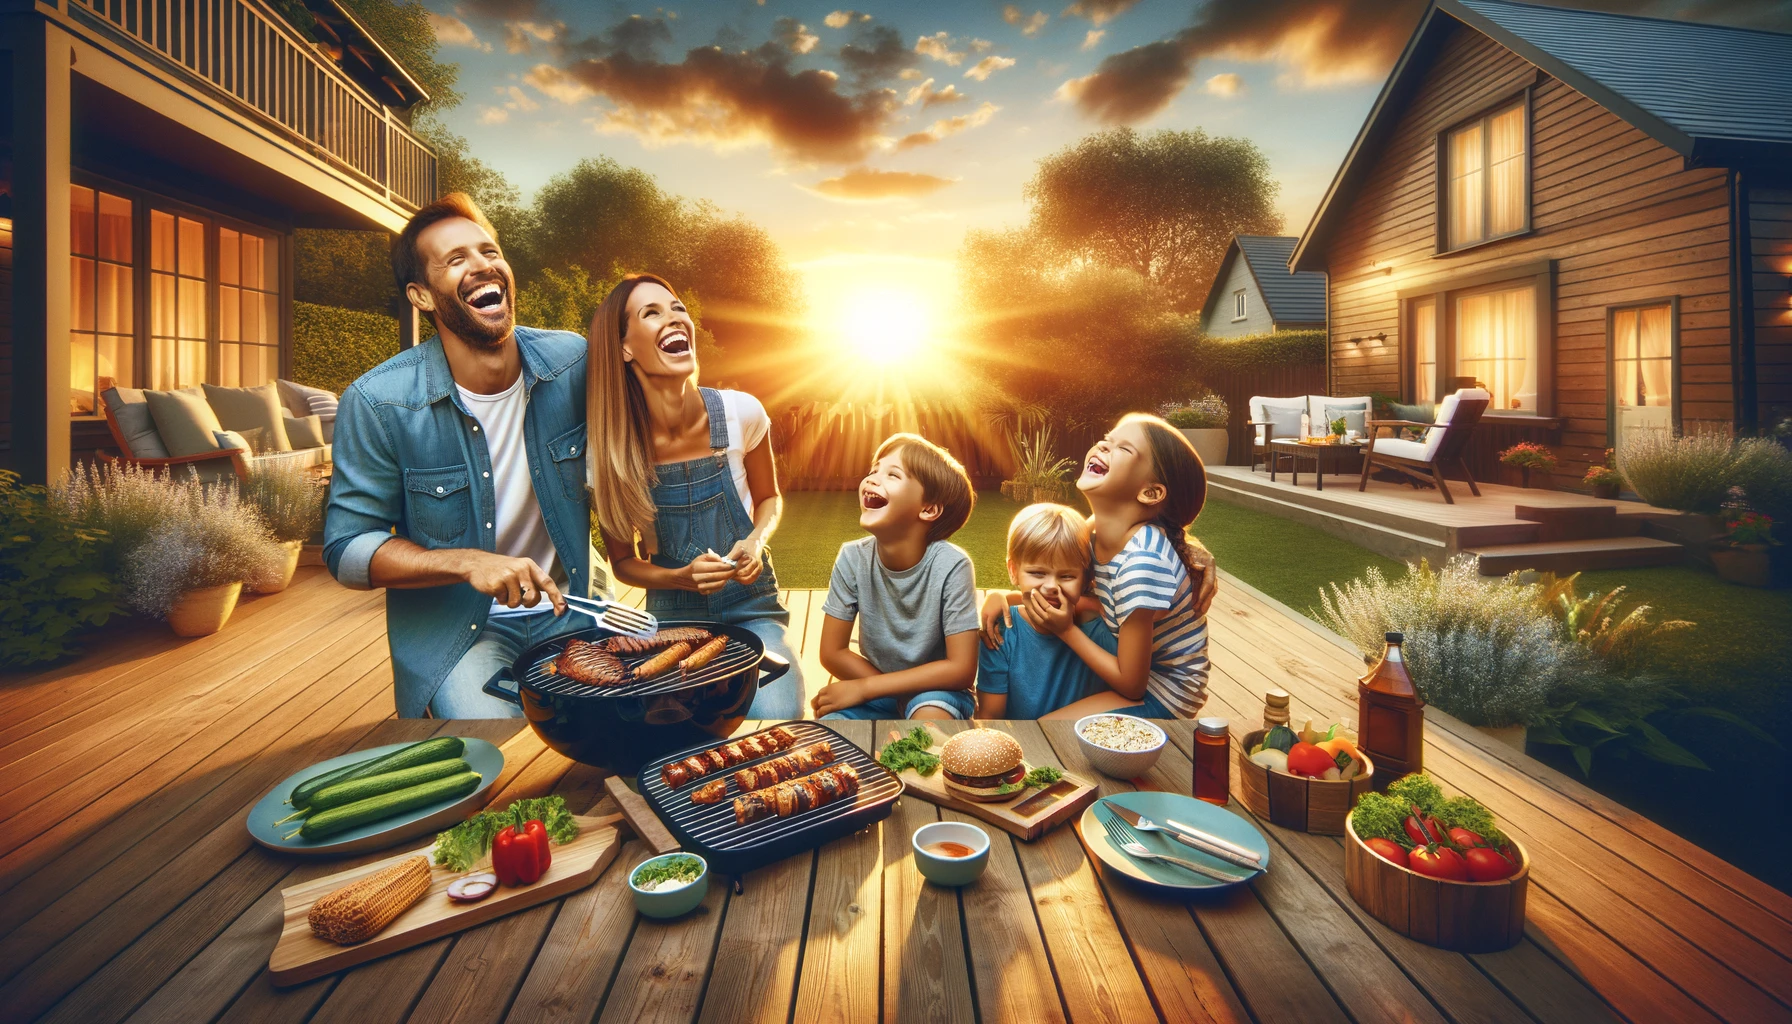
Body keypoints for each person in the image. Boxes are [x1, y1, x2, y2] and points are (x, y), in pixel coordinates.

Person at [323, 193, 594, 719]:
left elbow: (649, 418)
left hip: (574, 611)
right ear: (421, 296)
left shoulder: (572, 360)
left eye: (488, 251)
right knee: (490, 753)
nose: (481, 266)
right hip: (462, 633)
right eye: (455, 260)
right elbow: (347, 551)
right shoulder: (379, 402)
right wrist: (466, 562)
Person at [585, 274, 802, 719]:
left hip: (752, 608)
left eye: (677, 307)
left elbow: (769, 500)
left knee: (779, 715)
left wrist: (755, 542)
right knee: (668, 734)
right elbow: (624, 564)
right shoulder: (608, 453)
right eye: (652, 312)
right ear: (624, 348)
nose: (675, 317)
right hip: (670, 626)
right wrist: (681, 577)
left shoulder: (742, 412)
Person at [982, 414, 1216, 719]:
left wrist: (1066, 630)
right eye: (1106, 440)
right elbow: (1061, 587)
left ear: (1151, 492)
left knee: (1046, 729)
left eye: (1123, 448)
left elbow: (1133, 685)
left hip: (1164, 689)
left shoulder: (1141, 564)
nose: (1102, 447)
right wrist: (1003, 596)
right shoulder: (1094, 532)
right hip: (1123, 653)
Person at [813, 434, 980, 721]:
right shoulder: (852, 558)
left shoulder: (953, 565)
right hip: (878, 690)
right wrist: (877, 691)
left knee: (926, 721)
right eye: (874, 470)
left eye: (893, 474)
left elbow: (961, 668)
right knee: (830, 728)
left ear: (928, 509)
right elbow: (832, 652)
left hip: (938, 693)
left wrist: (866, 688)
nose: (873, 479)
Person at [975, 504, 1118, 720]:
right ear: (1013, 571)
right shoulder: (1002, 630)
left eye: (1067, 576)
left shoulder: (1100, 630)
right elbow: (990, 716)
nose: (1051, 586)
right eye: (1037, 573)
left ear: (1087, 578)